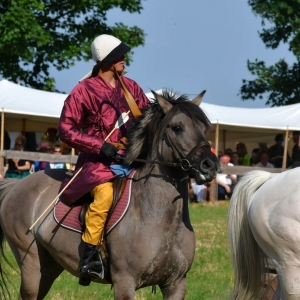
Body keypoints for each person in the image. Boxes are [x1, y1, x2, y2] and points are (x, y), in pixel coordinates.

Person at [58, 34, 150, 285]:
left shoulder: (132, 87)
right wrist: (101, 146)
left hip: (131, 160)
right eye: (119, 56)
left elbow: (147, 118)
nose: (124, 59)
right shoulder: (82, 91)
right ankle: (89, 256)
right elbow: (66, 129)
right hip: (97, 164)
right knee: (105, 195)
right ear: (108, 61)